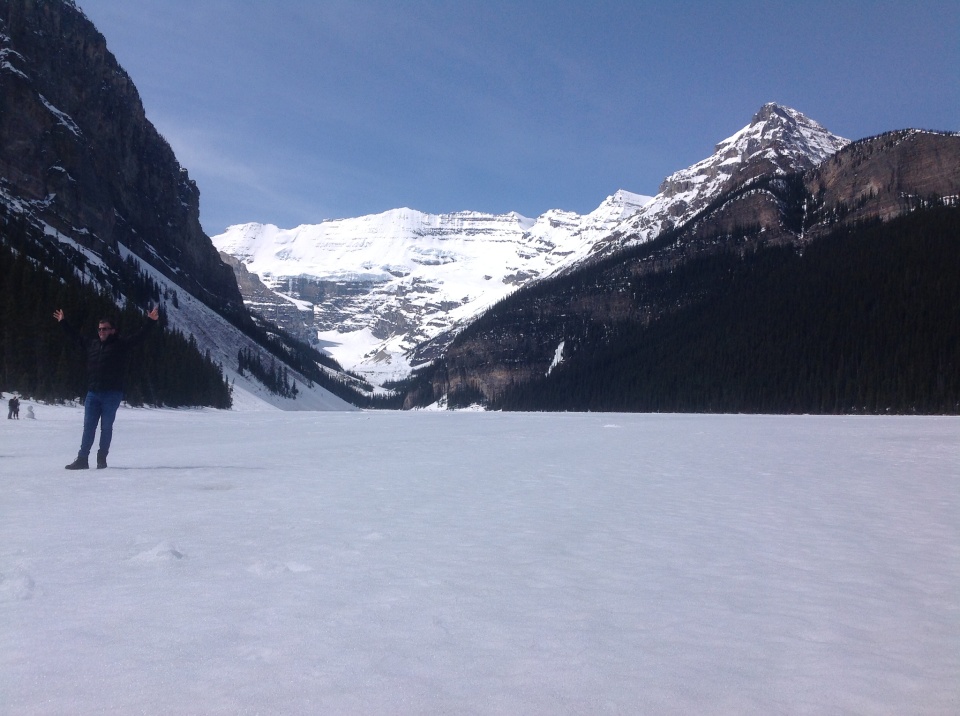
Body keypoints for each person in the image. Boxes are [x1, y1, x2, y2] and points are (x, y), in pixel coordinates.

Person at [54, 306, 159, 469]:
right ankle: (82, 459)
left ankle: (101, 457)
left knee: (106, 427)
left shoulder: (121, 345)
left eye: (105, 329)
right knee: (88, 426)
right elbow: (75, 337)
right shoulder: (92, 344)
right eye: (100, 329)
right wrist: (63, 322)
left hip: (112, 394)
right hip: (93, 393)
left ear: (113, 330)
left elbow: (139, 337)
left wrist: (150, 322)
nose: (101, 331)